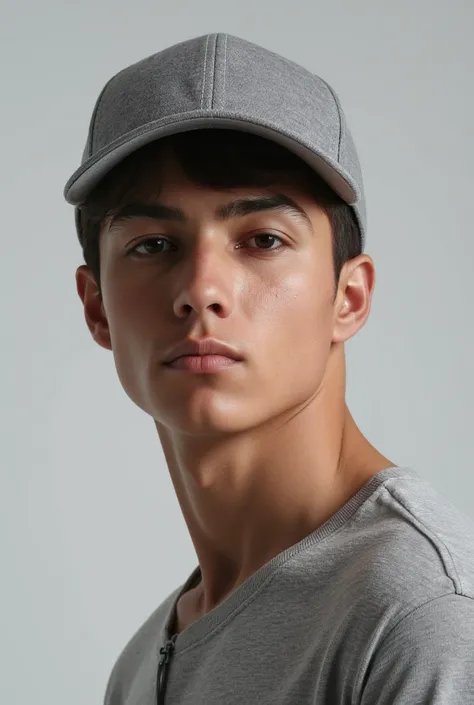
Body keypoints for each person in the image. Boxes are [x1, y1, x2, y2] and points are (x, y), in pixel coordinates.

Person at [63, 33, 474, 705]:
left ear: (349, 296)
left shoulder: (422, 616)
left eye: (262, 240)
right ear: (97, 307)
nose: (201, 287)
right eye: (154, 243)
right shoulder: (139, 665)